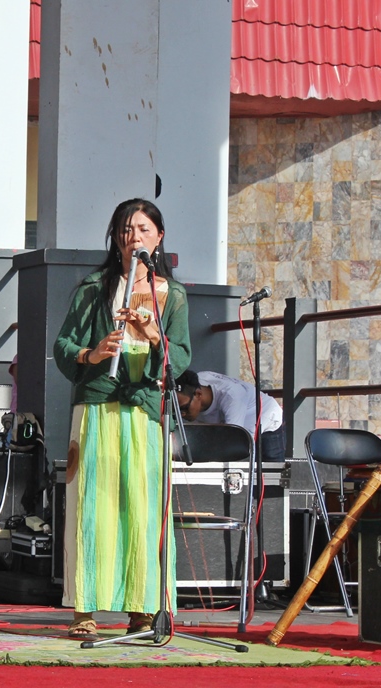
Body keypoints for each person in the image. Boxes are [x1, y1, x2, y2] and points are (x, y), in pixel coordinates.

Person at [53, 198, 191, 640]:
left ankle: (144, 607)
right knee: (92, 505)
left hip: (144, 409)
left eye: (144, 230)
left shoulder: (174, 294)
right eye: (126, 231)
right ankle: (84, 610)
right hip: (97, 406)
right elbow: (62, 346)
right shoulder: (94, 287)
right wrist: (92, 354)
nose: (135, 238)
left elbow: (181, 358)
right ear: (116, 240)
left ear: (159, 237)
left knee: (143, 508)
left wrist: (154, 336)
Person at [175, 369, 285, 462]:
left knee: (269, 472)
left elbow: (231, 444)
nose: (181, 414)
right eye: (176, 410)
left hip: (266, 419)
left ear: (198, 394)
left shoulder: (232, 397)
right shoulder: (196, 382)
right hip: (231, 425)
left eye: (184, 408)